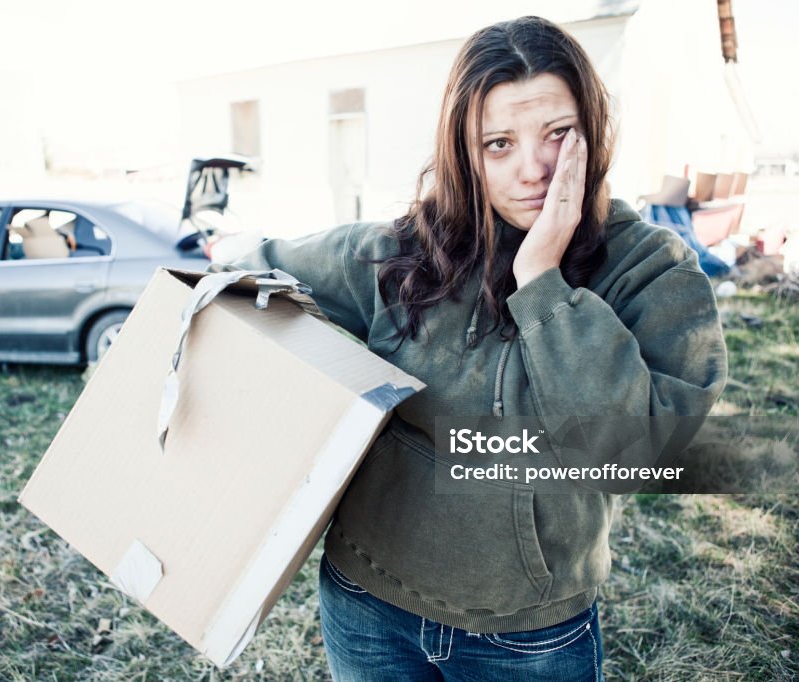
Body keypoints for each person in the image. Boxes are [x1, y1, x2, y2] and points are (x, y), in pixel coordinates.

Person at [216, 16, 727, 681]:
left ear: (594, 130)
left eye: (557, 135)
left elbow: (637, 452)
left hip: (525, 635)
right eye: (498, 144)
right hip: (369, 604)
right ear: (465, 151)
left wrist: (542, 280)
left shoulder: (650, 270)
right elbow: (254, 270)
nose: (533, 170)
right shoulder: (412, 249)